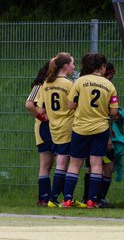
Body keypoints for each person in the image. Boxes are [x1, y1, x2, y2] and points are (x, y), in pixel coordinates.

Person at [63, 53, 119, 208]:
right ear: (102, 67)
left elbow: (70, 105)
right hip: (100, 129)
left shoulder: (80, 81)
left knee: (75, 164)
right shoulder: (109, 85)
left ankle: (67, 199)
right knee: (96, 164)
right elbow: (114, 112)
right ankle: (92, 201)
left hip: (80, 128)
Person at [37, 53, 84, 208]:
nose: (74, 67)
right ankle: (58, 198)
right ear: (65, 66)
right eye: (72, 64)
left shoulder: (46, 83)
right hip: (68, 126)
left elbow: (42, 109)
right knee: (65, 162)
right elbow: (74, 104)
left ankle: (58, 198)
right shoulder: (69, 84)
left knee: (61, 162)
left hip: (54, 127)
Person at [25, 61, 54, 206]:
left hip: (52, 127)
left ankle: (45, 198)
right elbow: (29, 104)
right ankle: (45, 198)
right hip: (44, 128)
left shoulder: (51, 85)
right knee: (46, 164)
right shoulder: (40, 86)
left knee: (48, 164)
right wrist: (42, 117)